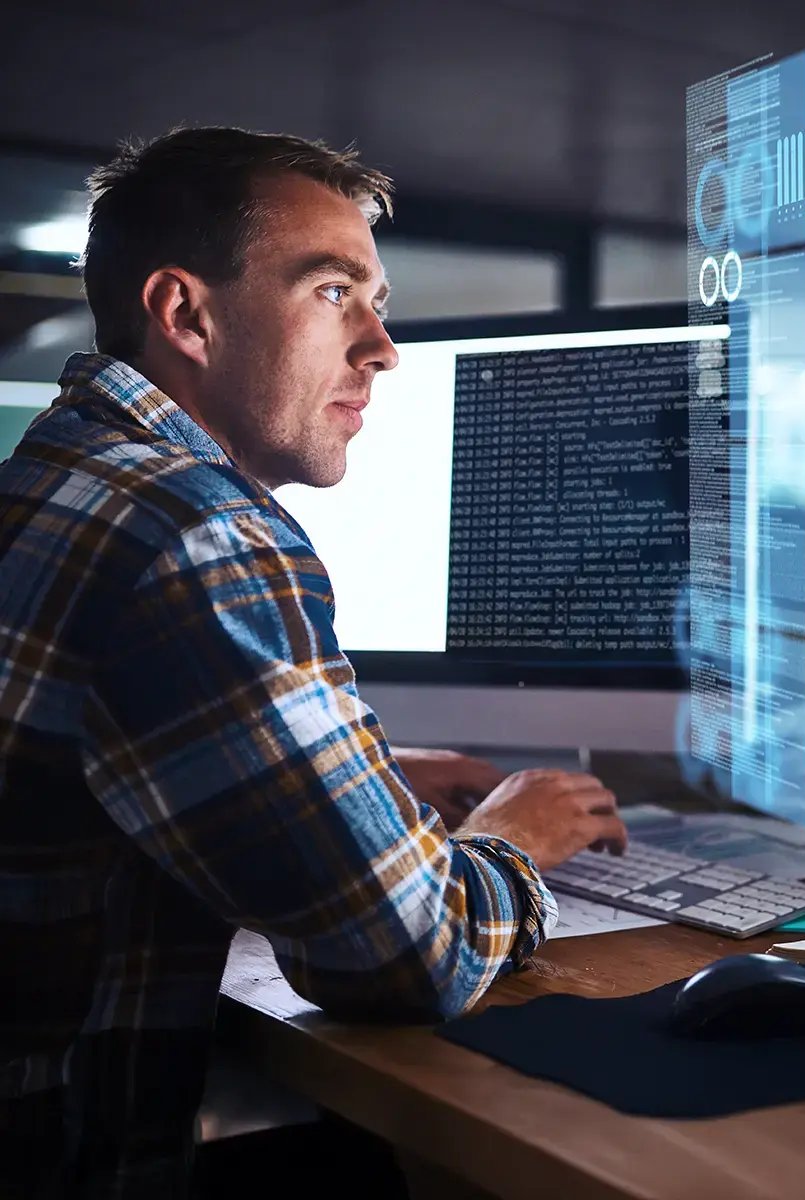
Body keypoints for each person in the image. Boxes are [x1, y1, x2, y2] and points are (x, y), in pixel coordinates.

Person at [0, 126, 627, 1197]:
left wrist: (370, 780)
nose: (383, 347)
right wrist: (508, 838)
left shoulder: (60, 479)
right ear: (186, 314)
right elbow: (403, 957)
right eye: (337, 291)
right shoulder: (199, 532)